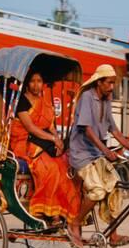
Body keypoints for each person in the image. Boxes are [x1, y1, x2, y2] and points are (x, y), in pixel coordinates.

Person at [68, 64, 129, 248]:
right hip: (81, 154)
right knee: (98, 190)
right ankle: (75, 223)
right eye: (109, 83)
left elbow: (114, 130)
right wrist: (106, 151)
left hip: (96, 153)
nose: (112, 87)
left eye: (113, 83)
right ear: (99, 82)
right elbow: (87, 130)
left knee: (115, 186)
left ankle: (113, 235)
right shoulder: (87, 97)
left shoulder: (106, 100)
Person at [10, 70, 80, 226]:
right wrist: (53, 139)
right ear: (27, 84)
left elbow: (51, 126)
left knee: (64, 168)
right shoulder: (22, 101)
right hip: (25, 143)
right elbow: (30, 127)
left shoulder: (45, 102)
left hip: (42, 142)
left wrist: (58, 140)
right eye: (33, 81)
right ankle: (47, 212)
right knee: (50, 169)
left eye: (39, 81)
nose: (36, 85)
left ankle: (62, 211)